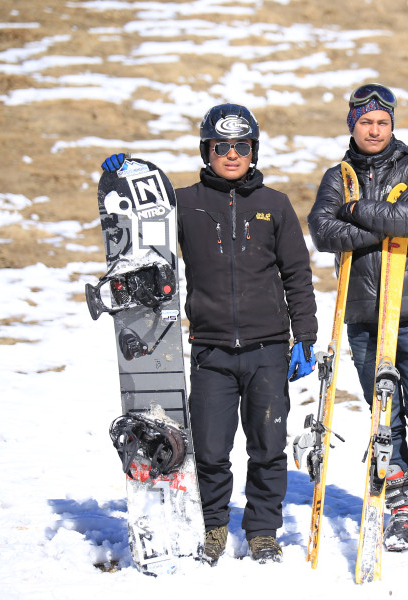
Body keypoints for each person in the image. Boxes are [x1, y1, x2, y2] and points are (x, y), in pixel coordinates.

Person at [101, 103, 319, 565]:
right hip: (211, 350)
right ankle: (214, 526)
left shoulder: (274, 204)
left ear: (253, 150)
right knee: (211, 450)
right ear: (208, 150)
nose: (233, 154)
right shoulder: (186, 203)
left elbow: (297, 273)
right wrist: (130, 179)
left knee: (267, 448)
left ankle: (262, 531)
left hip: (267, 350)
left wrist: (305, 334)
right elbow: (145, 230)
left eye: (242, 146)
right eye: (223, 147)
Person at [307, 83, 408, 557]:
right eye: (365, 122)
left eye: (382, 122)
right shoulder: (338, 176)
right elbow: (321, 229)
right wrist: (380, 220)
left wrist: (354, 212)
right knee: (384, 418)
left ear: (392, 125)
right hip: (362, 315)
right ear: (351, 124)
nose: (374, 130)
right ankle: (398, 504)